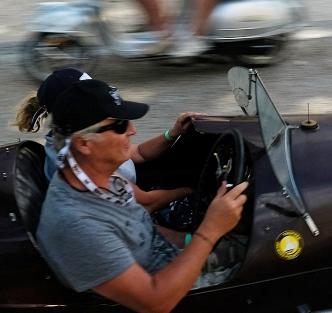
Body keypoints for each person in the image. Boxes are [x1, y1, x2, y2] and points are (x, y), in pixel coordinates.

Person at [35, 78, 249, 313]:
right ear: (84, 143)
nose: (132, 130)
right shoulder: (76, 225)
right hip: (174, 300)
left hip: (174, 262)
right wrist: (209, 231)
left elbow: (141, 232)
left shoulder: (98, 177)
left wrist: (193, 238)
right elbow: (157, 303)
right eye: (119, 125)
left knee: (244, 235)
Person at [13, 67, 197, 212]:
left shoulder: (87, 134)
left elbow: (138, 153)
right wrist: (191, 191)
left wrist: (172, 133)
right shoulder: (77, 156)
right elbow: (146, 203)